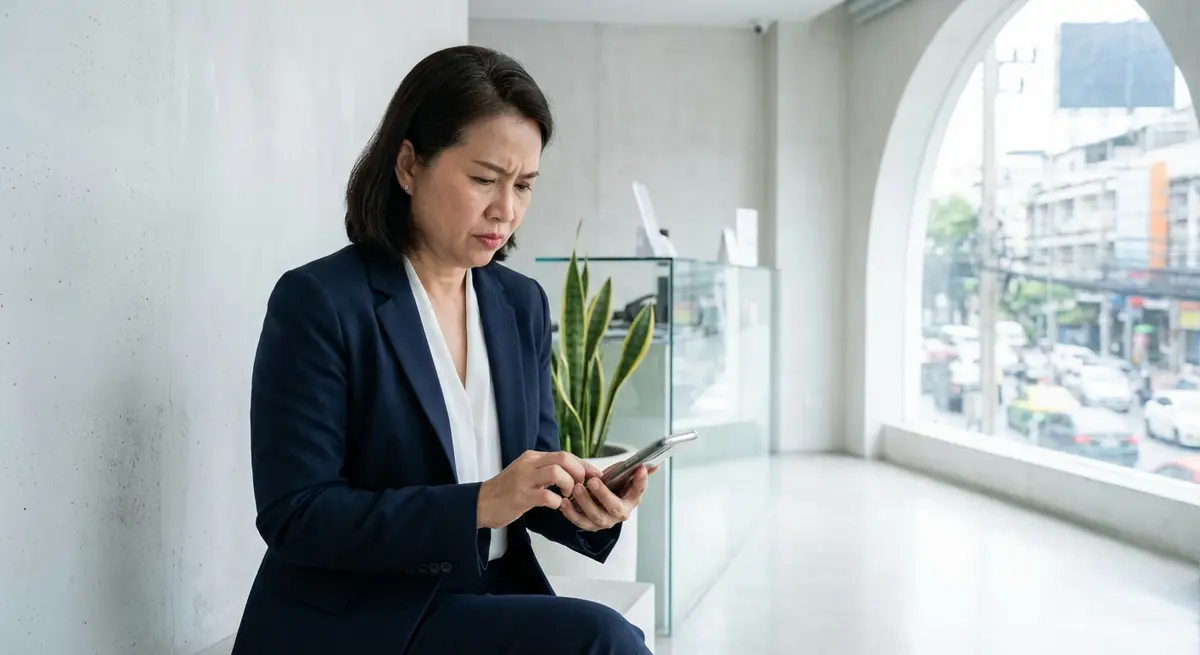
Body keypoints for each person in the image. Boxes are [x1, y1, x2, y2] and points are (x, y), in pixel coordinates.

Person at [231, 45, 654, 655]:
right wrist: (478, 504)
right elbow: (295, 514)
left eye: (524, 185)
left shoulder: (521, 304)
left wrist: (589, 507)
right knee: (603, 641)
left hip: (493, 597)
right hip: (367, 617)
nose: (505, 210)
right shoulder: (319, 301)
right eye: (484, 179)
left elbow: (527, 484)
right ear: (409, 165)